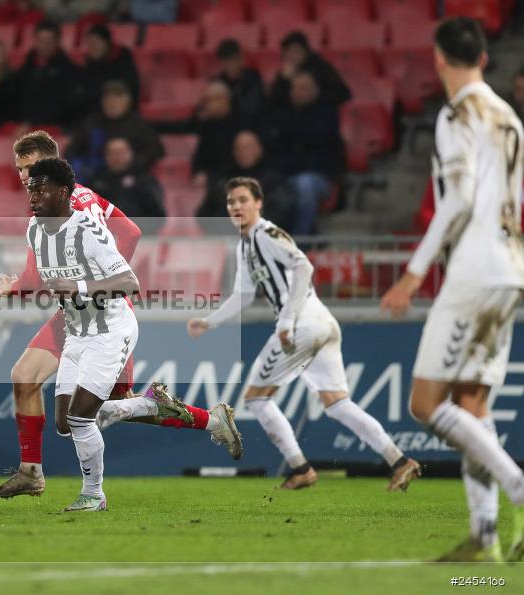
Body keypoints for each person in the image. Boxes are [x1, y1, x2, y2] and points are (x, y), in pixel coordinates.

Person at [0, 131, 240, 499]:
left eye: (30, 167)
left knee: (107, 407)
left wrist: (95, 283)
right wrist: (21, 286)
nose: (24, 176)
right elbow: (125, 233)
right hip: (74, 315)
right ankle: (30, 472)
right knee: (27, 379)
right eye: (20, 169)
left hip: (104, 316)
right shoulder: (69, 200)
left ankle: (207, 420)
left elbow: (123, 247)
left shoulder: (73, 208)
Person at [381, 18, 524, 563]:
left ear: (439, 58)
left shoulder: (455, 114)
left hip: (473, 271)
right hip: (510, 268)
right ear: (484, 58)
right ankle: (485, 536)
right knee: (471, 403)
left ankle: (518, 489)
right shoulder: (509, 117)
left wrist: (413, 273)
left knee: (426, 403)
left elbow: (459, 199)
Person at [189, 177, 420, 491]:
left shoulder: (266, 233)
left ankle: (300, 468)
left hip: (301, 324)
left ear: (258, 204)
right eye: (231, 202)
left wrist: (286, 321)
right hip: (319, 322)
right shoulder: (246, 245)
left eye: (243, 200)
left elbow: (304, 267)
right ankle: (400, 461)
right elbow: (243, 295)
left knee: (256, 398)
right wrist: (209, 322)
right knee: (337, 404)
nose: (236, 206)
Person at [23, 157, 140, 511]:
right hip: (76, 333)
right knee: (64, 424)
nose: (33, 196)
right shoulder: (34, 230)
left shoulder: (89, 230)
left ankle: (93, 494)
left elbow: (129, 282)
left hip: (110, 331)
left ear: (63, 192)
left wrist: (79, 287)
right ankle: (146, 405)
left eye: (41, 189)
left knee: (79, 418)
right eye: (31, 189)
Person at [268, 70, 343, 235]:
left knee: (304, 185)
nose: (299, 92)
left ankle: (300, 242)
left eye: (304, 88)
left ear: (316, 90)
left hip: (318, 176)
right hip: (285, 173)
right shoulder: (281, 114)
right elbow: (274, 148)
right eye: (295, 88)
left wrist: (293, 135)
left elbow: (320, 147)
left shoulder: (327, 114)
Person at [67, 80, 164, 181]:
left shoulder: (140, 125)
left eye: (117, 97)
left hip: (132, 177)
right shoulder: (91, 124)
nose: (112, 102)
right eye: (108, 98)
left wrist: (130, 163)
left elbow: (155, 150)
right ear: (102, 101)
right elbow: (71, 151)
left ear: (128, 100)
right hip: (96, 178)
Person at [13, 19, 83, 128]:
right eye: (41, 40)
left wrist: (32, 122)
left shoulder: (69, 70)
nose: (44, 45)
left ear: (57, 42)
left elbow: (62, 105)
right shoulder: (25, 68)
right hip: (23, 125)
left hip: (55, 128)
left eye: (49, 41)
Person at [88, 137, 165, 232]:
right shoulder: (96, 180)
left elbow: (157, 214)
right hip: (105, 234)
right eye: (112, 153)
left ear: (130, 153)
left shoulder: (144, 179)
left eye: (120, 152)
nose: (116, 157)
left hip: (141, 234)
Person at [270, 31, 351, 110]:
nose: (291, 56)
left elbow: (343, 93)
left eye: (295, 51)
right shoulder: (285, 72)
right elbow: (274, 101)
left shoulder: (320, 67)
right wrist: (283, 80)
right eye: (287, 53)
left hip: (319, 113)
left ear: (305, 52)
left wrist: (313, 95)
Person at [81, 24, 140, 110]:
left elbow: (130, 88)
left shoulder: (122, 58)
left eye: (95, 43)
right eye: (89, 43)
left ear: (106, 43)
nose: (92, 47)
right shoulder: (90, 62)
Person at [215, 39, 264, 123]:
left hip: (250, 124)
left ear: (241, 58)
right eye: (226, 62)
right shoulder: (217, 82)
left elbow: (252, 108)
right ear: (221, 63)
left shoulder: (253, 78)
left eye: (233, 60)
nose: (231, 65)